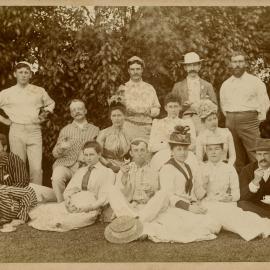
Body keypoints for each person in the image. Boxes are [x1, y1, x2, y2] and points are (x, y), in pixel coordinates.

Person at [140, 126, 221, 243]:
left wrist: (204, 185)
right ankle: (151, 228)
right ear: (172, 151)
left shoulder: (188, 167)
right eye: (179, 149)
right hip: (174, 207)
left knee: (214, 224)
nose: (183, 153)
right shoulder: (167, 168)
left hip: (188, 206)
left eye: (185, 149)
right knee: (191, 227)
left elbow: (194, 194)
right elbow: (168, 195)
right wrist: (189, 207)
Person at [28, 141, 115, 232]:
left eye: (91, 155)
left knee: (64, 221)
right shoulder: (81, 171)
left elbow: (104, 198)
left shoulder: (107, 172)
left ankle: (67, 218)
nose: (88, 158)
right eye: (86, 155)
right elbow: (67, 191)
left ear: (99, 154)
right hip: (73, 203)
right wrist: (68, 201)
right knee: (43, 213)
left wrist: (88, 208)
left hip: (89, 207)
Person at [195, 136, 270, 241]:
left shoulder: (229, 169)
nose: (213, 152)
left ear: (222, 151)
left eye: (217, 149)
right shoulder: (200, 169)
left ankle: (264, 226)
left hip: (227, 203)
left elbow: (236, 194)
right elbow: (197, 196)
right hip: (208, 203)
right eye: (210, 149)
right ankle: (251, 232)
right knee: (230, 215)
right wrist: (204, 185)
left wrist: (230, 198)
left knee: (240, 215)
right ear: (206, 152)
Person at [0, 61, 55, 185]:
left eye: (26, 72)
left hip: (34, 130)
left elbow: (51, 103)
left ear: (30, 75)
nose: (23, 75)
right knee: (18, 166)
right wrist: (4, 121)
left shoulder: (39, 91)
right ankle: (20, 195)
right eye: (20, 72)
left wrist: (44, 114)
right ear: (15, 74)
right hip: (16, 130)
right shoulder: (7, 93)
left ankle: (37, 197)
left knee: (36, 168)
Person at [220, 51, 270, 173]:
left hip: (250, 121)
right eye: (235, 62)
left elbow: (264, 102)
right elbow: (223, 105)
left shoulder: (255, 82)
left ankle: (263, 184)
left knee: (256, 153)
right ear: (231, 64)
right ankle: (241, 186)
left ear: (245, 63)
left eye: (240, 61)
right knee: (235, 156)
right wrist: (232, 119)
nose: (237, 65)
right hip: (230, 122)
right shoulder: (226, 84)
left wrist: (256, 120)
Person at [0, 134, 56, 229]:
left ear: (4, 148)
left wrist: (7, 193)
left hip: (29, 189)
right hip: (10, 196)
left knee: (54, 199)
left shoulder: (13, 159)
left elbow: (22, 182)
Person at [107, 138, 167, 223]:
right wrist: (124, 175)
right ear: (131, 153)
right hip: (129, 206)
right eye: (136, 150)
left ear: (147, 152)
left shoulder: (154, 170)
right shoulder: (125, 169)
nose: (139, 153)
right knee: (111, 189)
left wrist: (150, 192)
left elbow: (156, 192)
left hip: (147, 207)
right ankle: (137, 219)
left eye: (142, 150)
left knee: (163, 194)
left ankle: (133, 220)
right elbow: (121, 193)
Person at [51, 99, 99, 202]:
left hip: (86, 166)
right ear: (71, 114)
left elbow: (98, 151)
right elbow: (55, 154)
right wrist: (61, 148)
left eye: (79, 109)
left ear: (85, 111)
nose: (77, 112)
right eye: (73, 110)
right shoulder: (66, 130)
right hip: (66, 165)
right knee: (57, 176)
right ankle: (61, 203)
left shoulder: (95, 129)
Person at [148, 93, 198, 172]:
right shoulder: (158, 123)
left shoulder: (187, 123)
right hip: (163, 153)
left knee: (191, 163)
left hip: (183, 153)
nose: (173, 110)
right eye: (170, 107)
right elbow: (151, 147)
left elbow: (193, 145)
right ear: (165, 108)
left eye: (176, 106)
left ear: (180, 107)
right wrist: (169, 143)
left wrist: (180, 144)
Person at [171, 52, 217, 134]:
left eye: (195, 65)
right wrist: (183, 107)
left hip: (203, 121)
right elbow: (171, 108)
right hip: (185, 120)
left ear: (199, 66)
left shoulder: (207, 85)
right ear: (185, 67)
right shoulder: (177, 86)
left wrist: (205, 107)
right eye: (189, 65)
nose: (192, 68)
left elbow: (215, 108)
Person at [117, 56, 160, 140]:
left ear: (142, 70)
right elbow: (118, 109)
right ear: (128, 71)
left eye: (138, 69)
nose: (135, 72)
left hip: (146, 127)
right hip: (128, 126)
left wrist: (152, 112)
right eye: (132, 69)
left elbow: (156, 107)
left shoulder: (149, 88)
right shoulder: (123, 88)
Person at [196, 99, 236, 166]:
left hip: (225, 166)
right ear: (204, 122)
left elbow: (233, 156)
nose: (213, 122)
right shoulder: (201, 136)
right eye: (209, 120)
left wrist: (228, 167)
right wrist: (207, 168)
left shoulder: (226, 133)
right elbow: (198, 159)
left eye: (215, 118)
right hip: (209, 167)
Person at [97, 95, 131, 173]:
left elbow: (131, 154)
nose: (116, 119)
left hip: (123, 165)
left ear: (124, 116)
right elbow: (98, 155)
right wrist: (110, 166)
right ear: (110, 117)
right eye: (114, 116)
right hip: (106, 165)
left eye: (119, 115)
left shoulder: (128, 134)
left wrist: (128, 164)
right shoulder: (103, 133)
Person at [237, 138, 270, 218]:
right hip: (256, 207)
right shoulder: (247, 170)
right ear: (255, 156)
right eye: (259, 154)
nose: (262, 157)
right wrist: (255, 181)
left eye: (266, 154)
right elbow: (242, 196)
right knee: (242, 204)